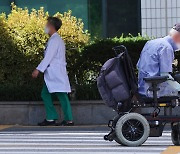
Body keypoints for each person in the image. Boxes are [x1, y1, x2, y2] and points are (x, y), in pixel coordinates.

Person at [32, 17, 74, 126]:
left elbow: (48, 57)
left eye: (47, 24)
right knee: (48, 94)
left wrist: (38, 69)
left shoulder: (55, 40)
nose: (45, 27)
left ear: (51, 26)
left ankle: (65, 119)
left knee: (60, 95)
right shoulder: (54, 40)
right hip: (54, 73)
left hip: (55, 73)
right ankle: (53, 117)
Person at [137, 23, 180, 98]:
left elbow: (138, 65)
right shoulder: (166, 48)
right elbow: (165, 75)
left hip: (142, 87)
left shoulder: (151, 42)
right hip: (154, 90)